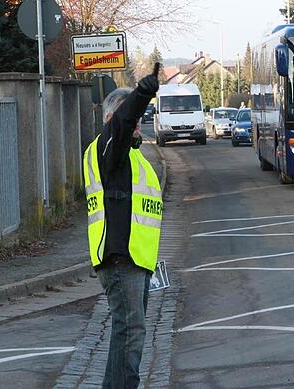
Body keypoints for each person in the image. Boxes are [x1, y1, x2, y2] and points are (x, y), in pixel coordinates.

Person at [83, 63, 163, 389]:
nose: (138, 128)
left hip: (136, 260)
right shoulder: (108, 149)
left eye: (140, 122)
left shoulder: (130, 158)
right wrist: (142, 93)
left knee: (125, 333)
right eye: (135, 121)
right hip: (120, 258)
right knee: (131, 333)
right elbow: (122, 123)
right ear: (111, 121)